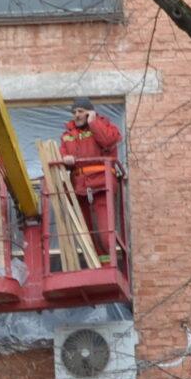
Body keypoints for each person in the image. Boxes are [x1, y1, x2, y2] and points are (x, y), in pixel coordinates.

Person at [57, 99, 123, 262]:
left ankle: (108, 264)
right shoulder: (68, 135)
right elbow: (59, 154)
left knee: (103, 230)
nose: (76, 115)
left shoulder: (104, 126)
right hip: (79, 187)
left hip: (101, 184)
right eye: (74, 112)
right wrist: (65, 158)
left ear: (90, 112)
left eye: (80, 111)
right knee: (86, 232)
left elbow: (108, 141)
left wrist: (93, 122)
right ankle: (97, 264)